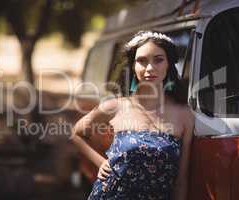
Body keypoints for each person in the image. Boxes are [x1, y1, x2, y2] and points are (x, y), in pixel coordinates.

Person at [71, 31, 194, 200]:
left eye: (158, 60)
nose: (150, 68)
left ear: (169, 64)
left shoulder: (184, 115)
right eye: (142, 61)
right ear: (133, 67)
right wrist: (101, 163)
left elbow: (182, 180)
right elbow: (77, 133)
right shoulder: (115, 107)